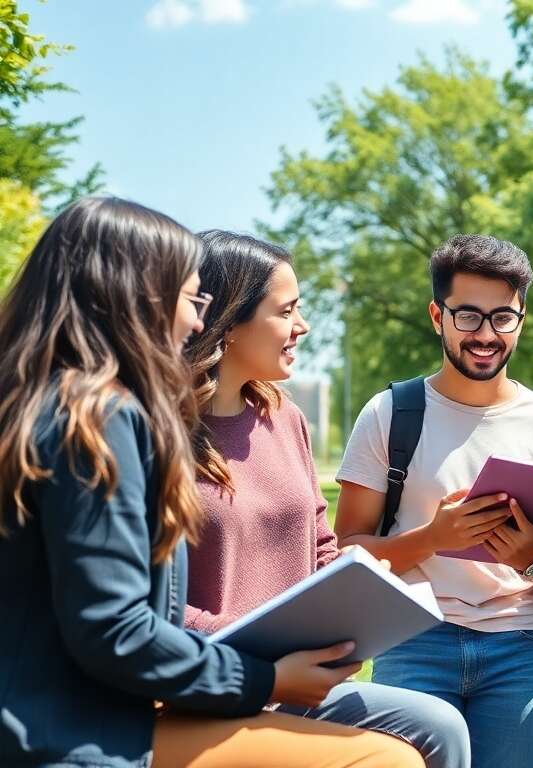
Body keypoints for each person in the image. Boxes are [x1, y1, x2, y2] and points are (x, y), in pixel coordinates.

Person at [0, 197, 424, 767]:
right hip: (83, 732)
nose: (197, 321)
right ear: (131, 296)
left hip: (74, 714)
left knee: (426, 730)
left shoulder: (46, 407)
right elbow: (117, 630)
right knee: (384, 760)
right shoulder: (101, 418)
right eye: (187, 298)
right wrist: (266, 679)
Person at [182, 230, 470, 767]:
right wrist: (266, 657)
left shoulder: (284, 417)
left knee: (439, 726)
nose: (302, 326)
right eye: (285, 310)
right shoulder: (157, 435)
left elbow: (319, 550)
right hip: (213, 680)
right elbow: (154, 609)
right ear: (229, 321)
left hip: (299, 679)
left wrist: (362, 607)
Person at [334, 234, 533, 768]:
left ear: (522, 318)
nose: (486, 335)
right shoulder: (389, 413)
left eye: (503, 318)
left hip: (522, 646)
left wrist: (531, 559)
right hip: (414, 638)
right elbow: (346, 552)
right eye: (467, 316)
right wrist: (434, 539)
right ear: (436, 315)